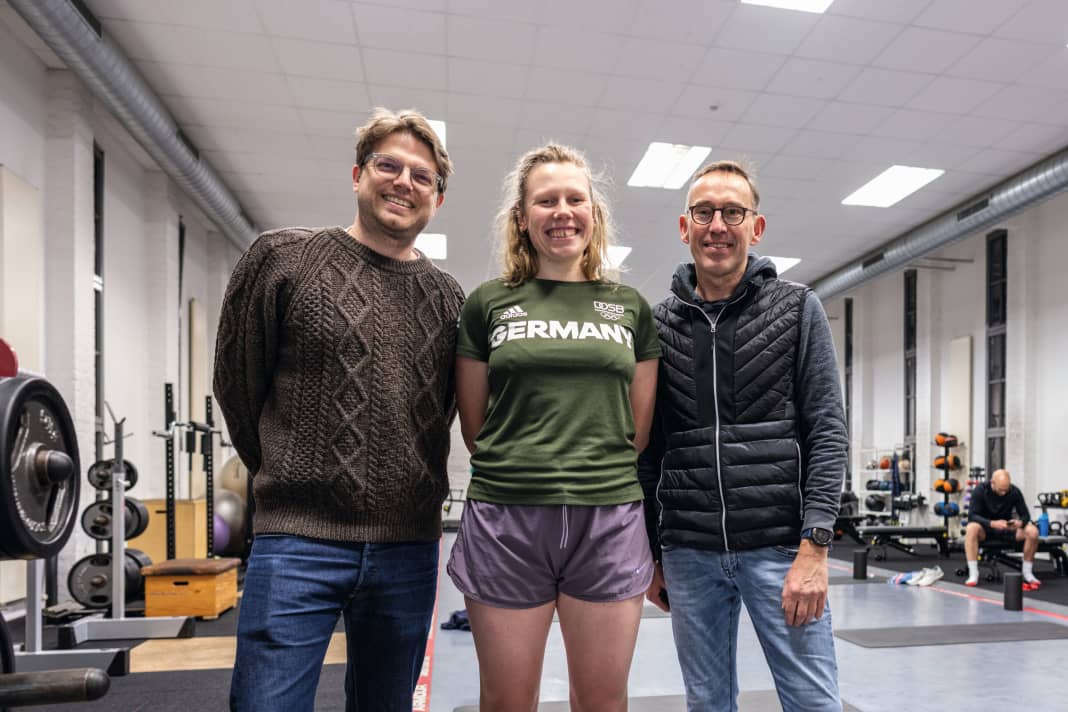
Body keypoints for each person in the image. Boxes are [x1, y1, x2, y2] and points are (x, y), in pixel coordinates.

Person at [213, 107, 464, 712]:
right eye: (388, 165)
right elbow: (237, 386)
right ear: (357, 175)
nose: (404, 182)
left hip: (407, 546)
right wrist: (287, 474)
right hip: (297, 541)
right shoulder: (282, 259)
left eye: (422, 176)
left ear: (437, 198)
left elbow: (444, 412)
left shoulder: (448, 299)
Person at [448, 143, 661, 711]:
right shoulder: (488, 304)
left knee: (602, 701)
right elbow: (475, 426)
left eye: (575, 199)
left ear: (594, 213)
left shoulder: (630, 307)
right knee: (507, 701)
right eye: (546, 201)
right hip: (507, 518)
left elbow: (638, 431)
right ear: (522, 217)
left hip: (608, 518)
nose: (562, 211)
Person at [638, 160, 847, 712]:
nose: (717, 225)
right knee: (707, 703)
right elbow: (648, 452)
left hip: (781, 549)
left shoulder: (797, 309)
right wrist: (653, 553)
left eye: (733, 212)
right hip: (689, 553)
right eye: (704, 212)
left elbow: (827, 431)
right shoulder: (657, 326)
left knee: (812, 702)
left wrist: (815, 546)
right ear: (684, 227)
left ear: (756, 228)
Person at [963, 469, 1040, 587]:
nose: (1003, 493)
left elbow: (1025, 516)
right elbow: (972, 516)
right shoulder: (980, 490)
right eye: (1000, 490)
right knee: (971, 528)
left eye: (1006, 490)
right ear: (992, 483)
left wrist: (1019, 523)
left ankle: (1027, 573)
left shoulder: (1014, 491)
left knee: (1032, 531)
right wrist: (992, 523)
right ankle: (973, 574)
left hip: (1006, 529)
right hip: (985, 530)